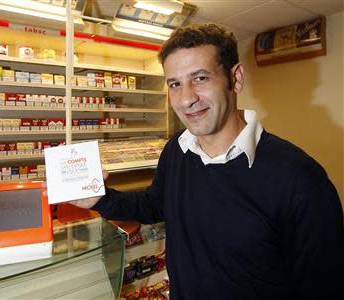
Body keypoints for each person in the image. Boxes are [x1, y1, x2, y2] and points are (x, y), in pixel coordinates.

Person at [72, 23, 344, 299]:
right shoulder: (177, 151)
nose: (186, 99)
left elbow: (323, 287)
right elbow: (154, 203)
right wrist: (99, 198)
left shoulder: (300, 179)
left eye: (200, 78)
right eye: (175, 84)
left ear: (235, 78)